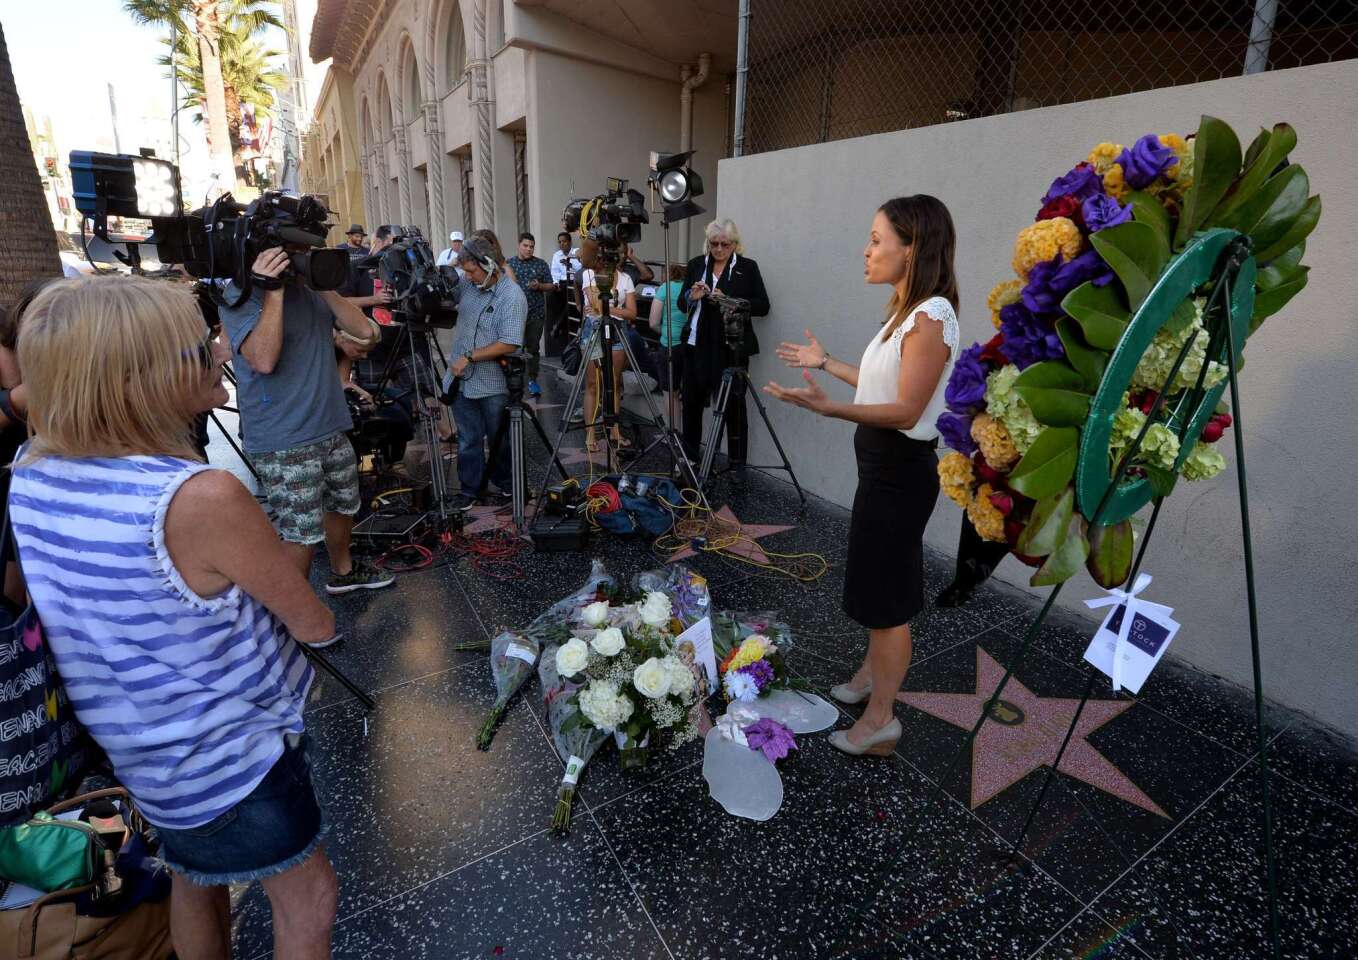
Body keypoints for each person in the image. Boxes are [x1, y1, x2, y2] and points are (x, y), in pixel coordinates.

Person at [9, 274, 339, 959]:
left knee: (194, 878)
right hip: (235, 754)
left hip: (141, 756)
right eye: (199, 344)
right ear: (139, 380)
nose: (222, 350)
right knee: (307, 897)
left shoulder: (32, 470)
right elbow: (310, 619)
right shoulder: (198, 497)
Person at [765, 195, 959, 757]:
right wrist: (825, 363)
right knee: (878, 587)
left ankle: (881, 721)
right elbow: (882, 388)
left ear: (912, 246)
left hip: (900, 473)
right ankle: (869, 677)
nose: (866, 250)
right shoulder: (907, 313)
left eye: (877, 239)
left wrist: (827, 409)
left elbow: (903, 411)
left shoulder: (932, 315)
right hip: (882, 470)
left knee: (888, 601)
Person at [218, 245, 395, 596]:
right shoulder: (240, 294)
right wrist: (273, 291)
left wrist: (322, 286)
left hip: (329, 425)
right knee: (302, 531)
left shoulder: (312, 291)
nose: (302, 256)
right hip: (284, 438)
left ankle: (342, 571)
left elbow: (367, 333)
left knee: (343, 504)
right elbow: (263, 359)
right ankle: (293, 615)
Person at [678, 218, 770, 465]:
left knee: (735, 408)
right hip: (697, 345)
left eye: (724, 244)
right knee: (691, 405)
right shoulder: (697, 264)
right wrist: (692, 296)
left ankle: (737, 465)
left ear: (735, 244)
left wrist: (730, 300)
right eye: (714, 243)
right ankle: (691, 459)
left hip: (731, 348)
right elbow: (680, 302)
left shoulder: (747, 267)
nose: (718, 249)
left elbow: (763, 305)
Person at [446, 237, 527, 510]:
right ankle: (471, 489)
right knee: (468, 438)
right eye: (465, 271)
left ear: (490, 265)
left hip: (493, 383)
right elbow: (444, 299)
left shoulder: (511, 296)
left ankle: (506, 484)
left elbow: (510, 341)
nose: (467, 277)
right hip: (461, 381)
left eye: (472, 271)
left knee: (498, 438)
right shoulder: (469, 285)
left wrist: (469, 356)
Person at [578, 246, 640, 453]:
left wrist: (607, 309)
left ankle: (614, 430)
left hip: (618, 332)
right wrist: (612, 309)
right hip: (594, 331)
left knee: (614, 382)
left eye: (621, 253)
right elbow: (595, 302)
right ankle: (589, 433)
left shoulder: (626, 278)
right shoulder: (589, 273)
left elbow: (632, 313)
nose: (617, 257)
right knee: (593, 383)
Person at [506, 232, 554, 397]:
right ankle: (514, 379)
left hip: (536, 313)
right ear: (519, 245)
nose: (528, 249)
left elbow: (551, 286)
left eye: (531, 246)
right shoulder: (509, 264)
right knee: (514, 348)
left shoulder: (540, 264)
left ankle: (532, 380)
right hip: (514, 315)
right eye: (525, 246)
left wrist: (539, 285)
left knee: (533, 348)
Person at [648, 263, 687, 422]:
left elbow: (653, 322)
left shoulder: (665, 289)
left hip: (670, 345)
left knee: (670, 393)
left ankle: (674, 432)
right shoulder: (690, 288)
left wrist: (664, 331)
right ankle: (689, 436)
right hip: (690, 344)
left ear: (667, 275)